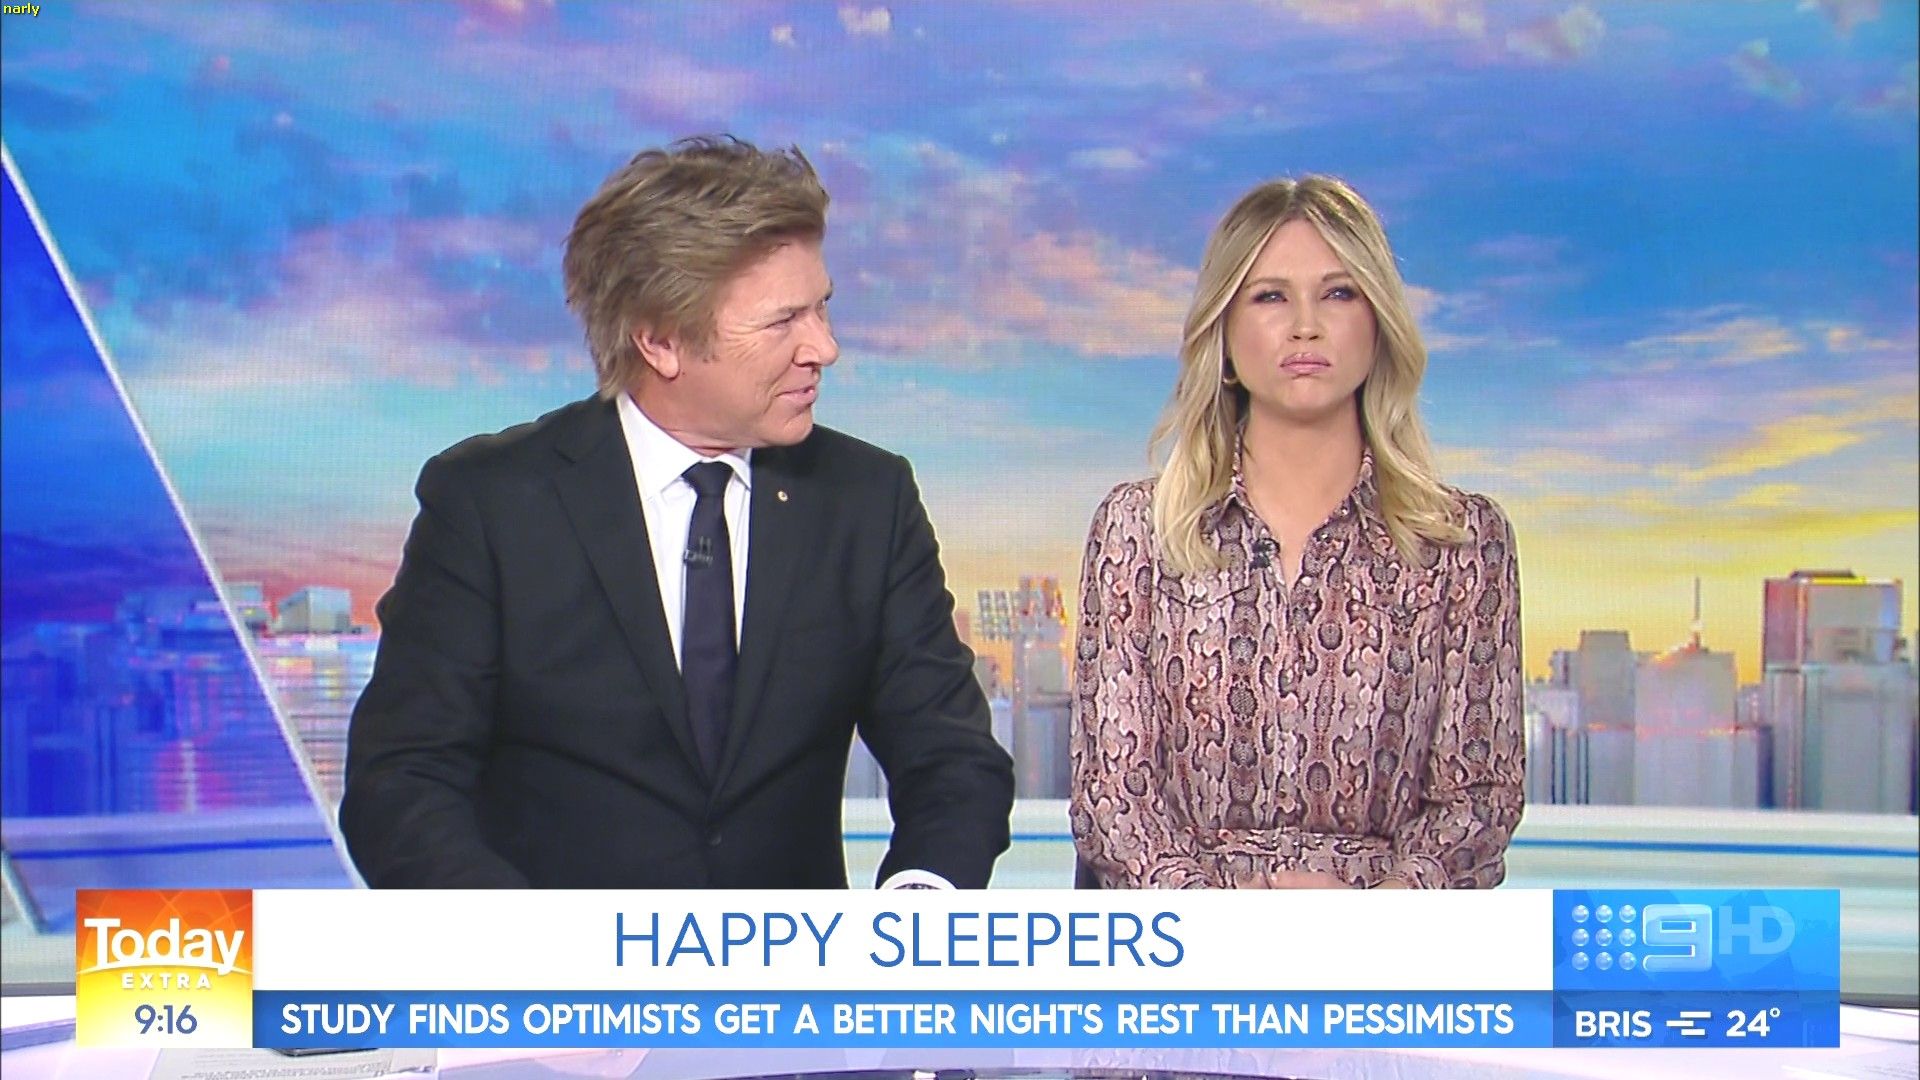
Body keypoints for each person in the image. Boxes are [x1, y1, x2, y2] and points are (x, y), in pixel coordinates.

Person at [341, 136, 1014, 890]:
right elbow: (400, 786)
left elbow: (954, 762)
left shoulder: (868, 500)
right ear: (661, 340)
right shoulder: (490, 504)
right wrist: (531, 948)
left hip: (794, 966)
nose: (824, 348)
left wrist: (912, 920)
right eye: (783, 321)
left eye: (822, 308)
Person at [1070, 175, 1524, 890]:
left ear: (1379, 323)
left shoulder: (1462, 543)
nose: (1305, 325)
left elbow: (1479, 799)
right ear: (1223, 331)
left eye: (1338, 293)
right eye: (1270, 297)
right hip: (1186, 936)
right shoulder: (1137, 531)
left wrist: (1374, 914)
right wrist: (1221, 918)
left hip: (1391, 939)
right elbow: (1113, 800)